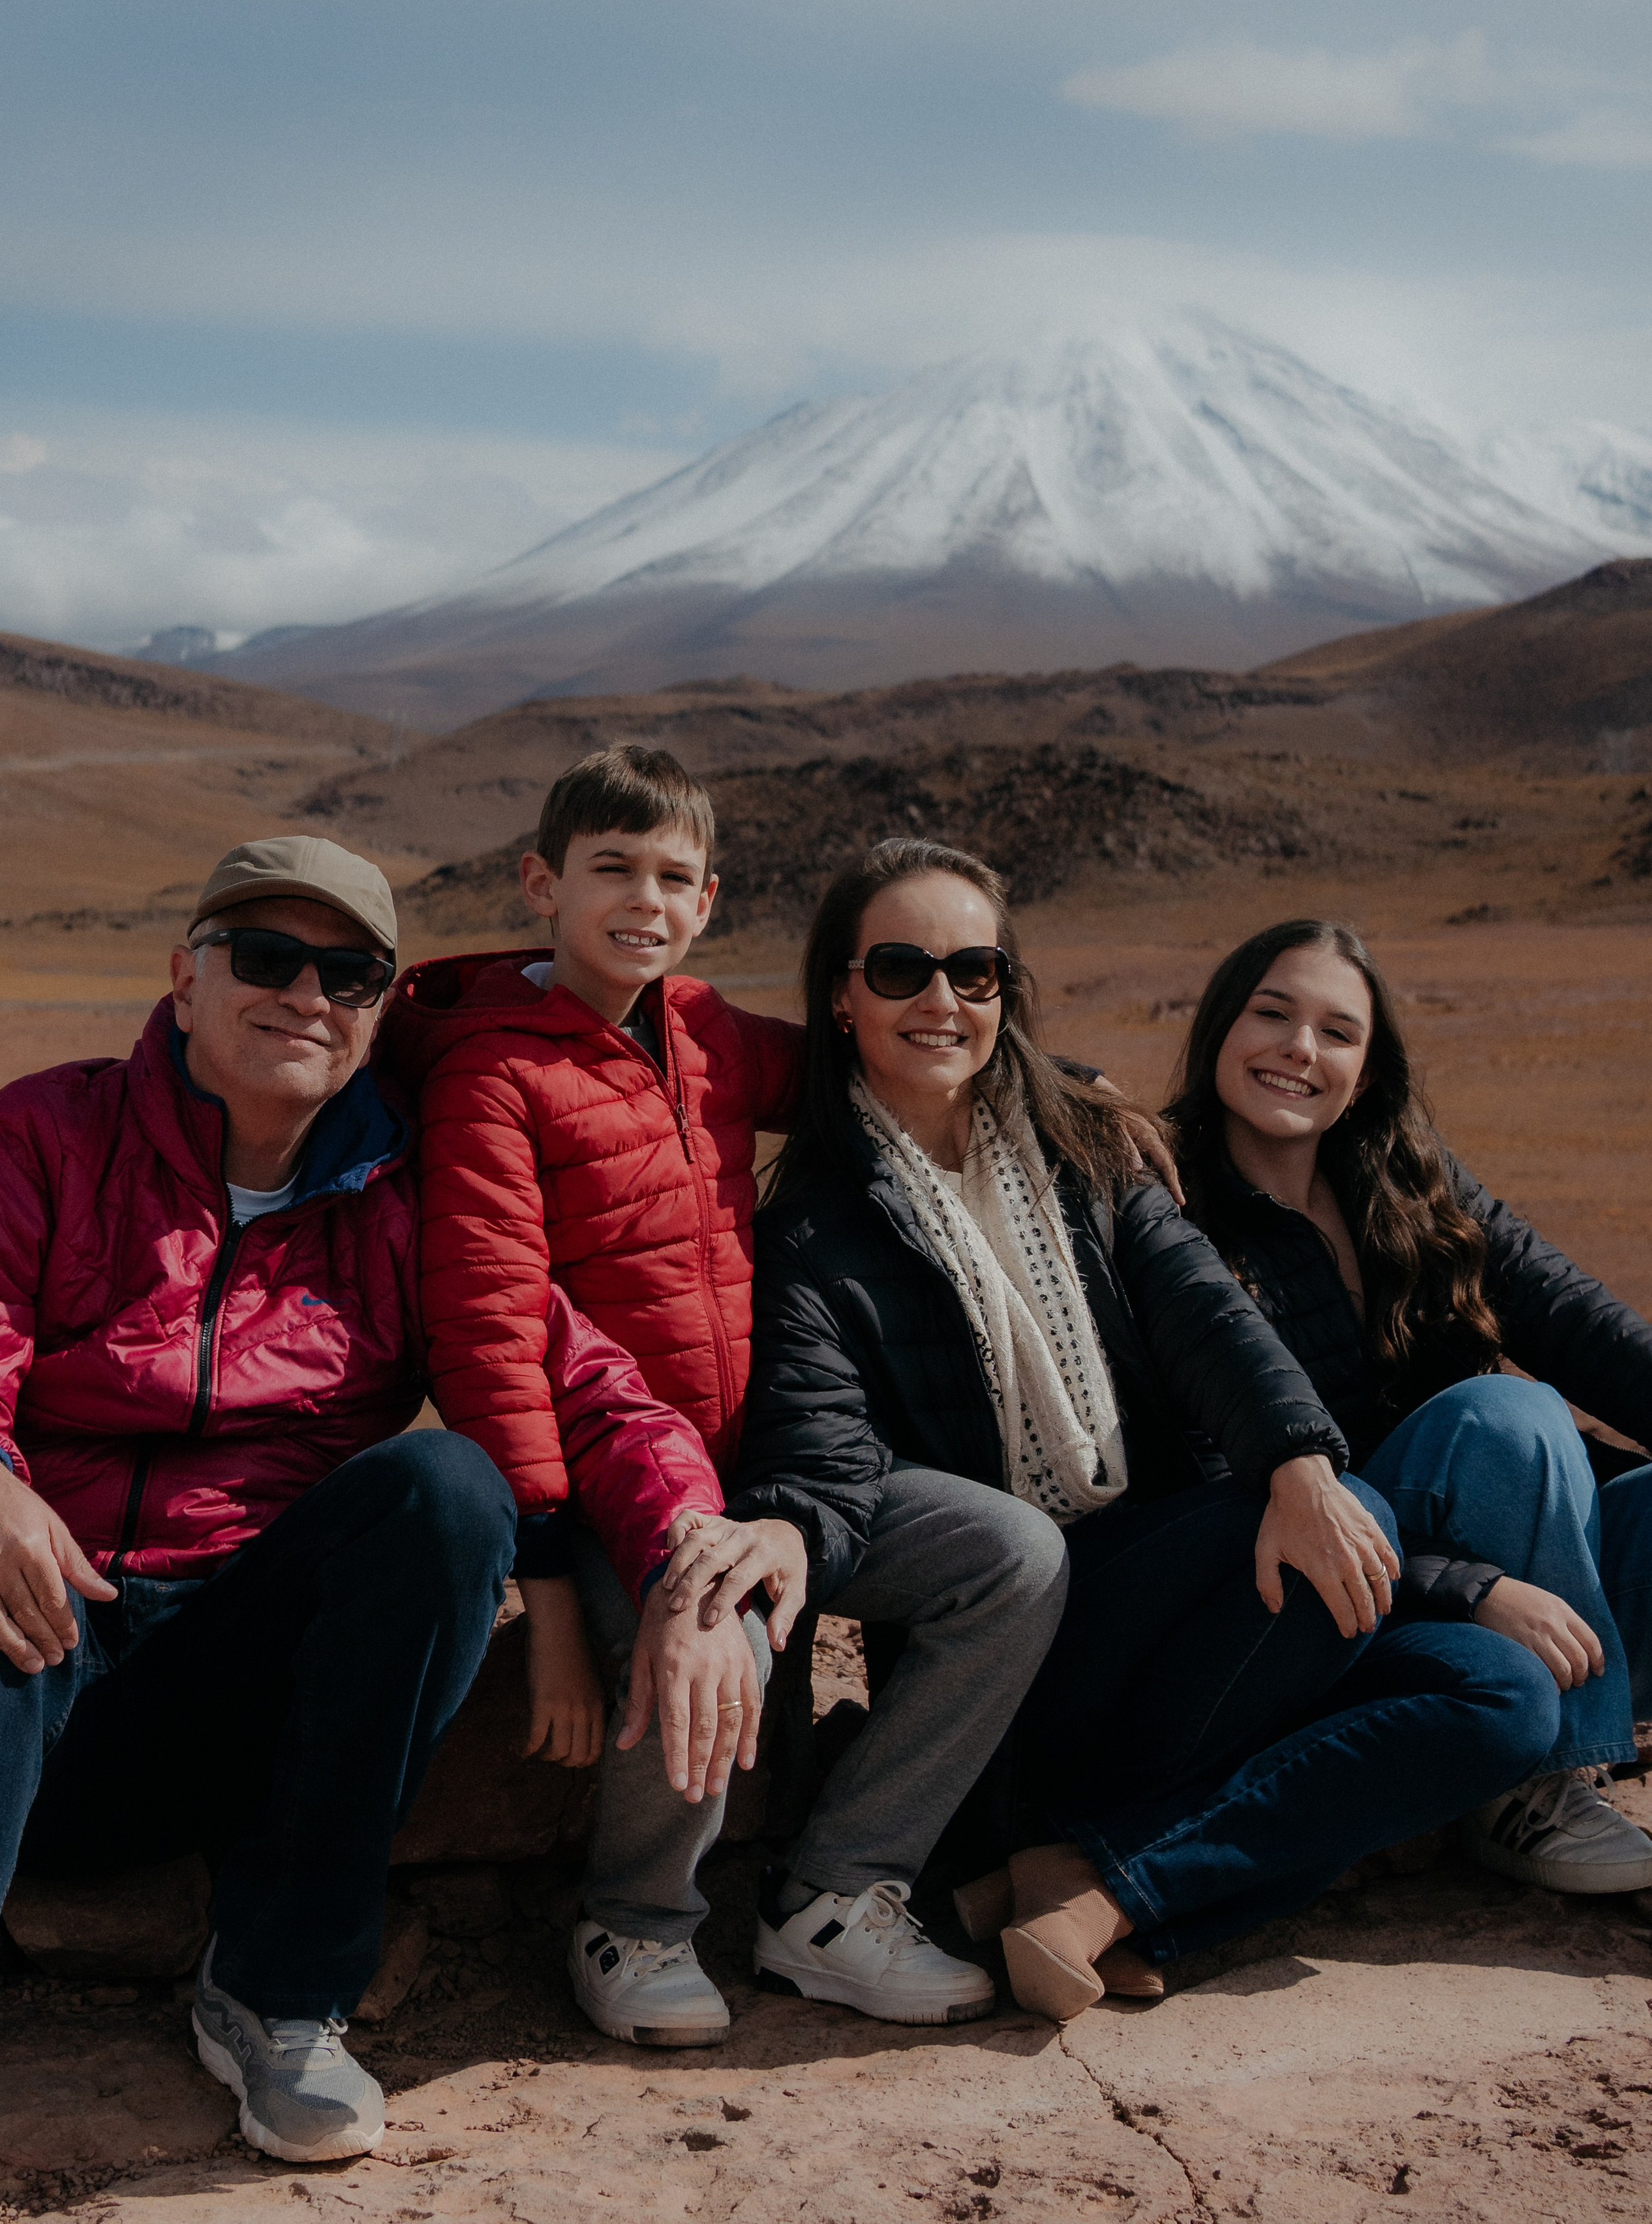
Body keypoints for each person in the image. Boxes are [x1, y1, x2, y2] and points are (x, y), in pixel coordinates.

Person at [694, 838, 1553, 2022]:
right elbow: (822, 1452)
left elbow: (1206, 1316)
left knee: (1504, 1696)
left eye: (975, 971)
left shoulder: (1088, 1152)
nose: (941, 1000)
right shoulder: (810, 1232)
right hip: (1034, 1668)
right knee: (1318, 1548)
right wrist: (791, 1527)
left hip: (1191, 1614)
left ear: (1008, 991)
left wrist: (1306, 1464)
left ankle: (1092, 1889)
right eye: (900, 968)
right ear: (840, 996)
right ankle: (1118, 1874)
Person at [0, 837, 745, 2163]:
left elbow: (583, 1384)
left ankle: (280, 1996)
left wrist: (690, 1545)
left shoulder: (404, 1198)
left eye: (348, 973)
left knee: (445, 1490)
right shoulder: (50, 1130)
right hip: (32, 1648)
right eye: (264, 958)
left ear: (383, 1006)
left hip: (230, 1685)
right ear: (184, 976)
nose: (305, 996)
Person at [380, 745, 808, 2050]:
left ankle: (836, 1894)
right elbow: (494, 1345)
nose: (644, 897)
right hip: (599, 1488)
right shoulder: (490, 1072)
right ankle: (634, 1922)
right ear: (539, 885)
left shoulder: (710, 1036)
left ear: (708, 901)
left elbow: (872, 1080)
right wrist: (551, 1601)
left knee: (989, 1567)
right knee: (715, 1644)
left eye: (672, 876)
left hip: (739, 1474)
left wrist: (1060, 1090)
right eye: (610, 868)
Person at [1165, 915, 1652, 1894]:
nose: (1301, 1050)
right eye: (1272, 1014)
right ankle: (1539, 1785)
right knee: (1507, 1418)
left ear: (1370, 1068)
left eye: (1337, 1032)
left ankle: (1536, 1757)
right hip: (1355, 1594)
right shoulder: (1168, 1209)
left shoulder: (1407, 1181)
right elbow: (1217, 1483)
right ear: (1221, 1026)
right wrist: (1468, 1588)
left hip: (1515, 1574)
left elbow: (1574, 1321)